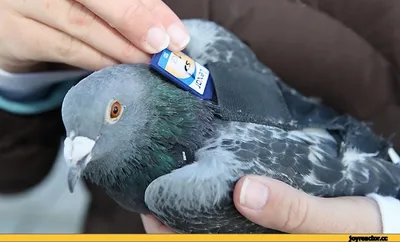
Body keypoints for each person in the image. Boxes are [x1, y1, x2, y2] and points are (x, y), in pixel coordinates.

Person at [1, 0, 400, 234]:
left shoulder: (188, 190)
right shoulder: (187, 39)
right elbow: (14, 174)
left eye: (115, 112)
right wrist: (10, 69)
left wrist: (388, 225)